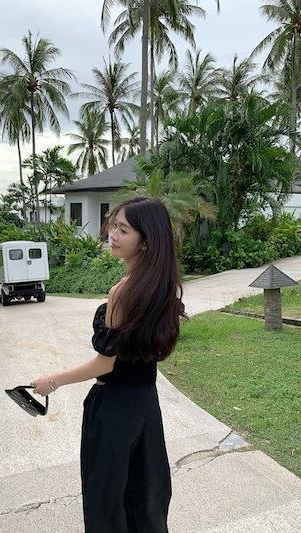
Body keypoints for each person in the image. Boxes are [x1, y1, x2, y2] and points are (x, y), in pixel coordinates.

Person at [30, 196, 186, 533]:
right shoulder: (162, 286)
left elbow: (105, 364)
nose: (113, 235)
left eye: (124, 230)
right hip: (146, 406)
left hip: (114, 409)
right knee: (145, 494)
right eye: (114, 226)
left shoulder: (123, 292)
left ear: (146, 241)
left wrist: (52, 381)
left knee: (106, 497)